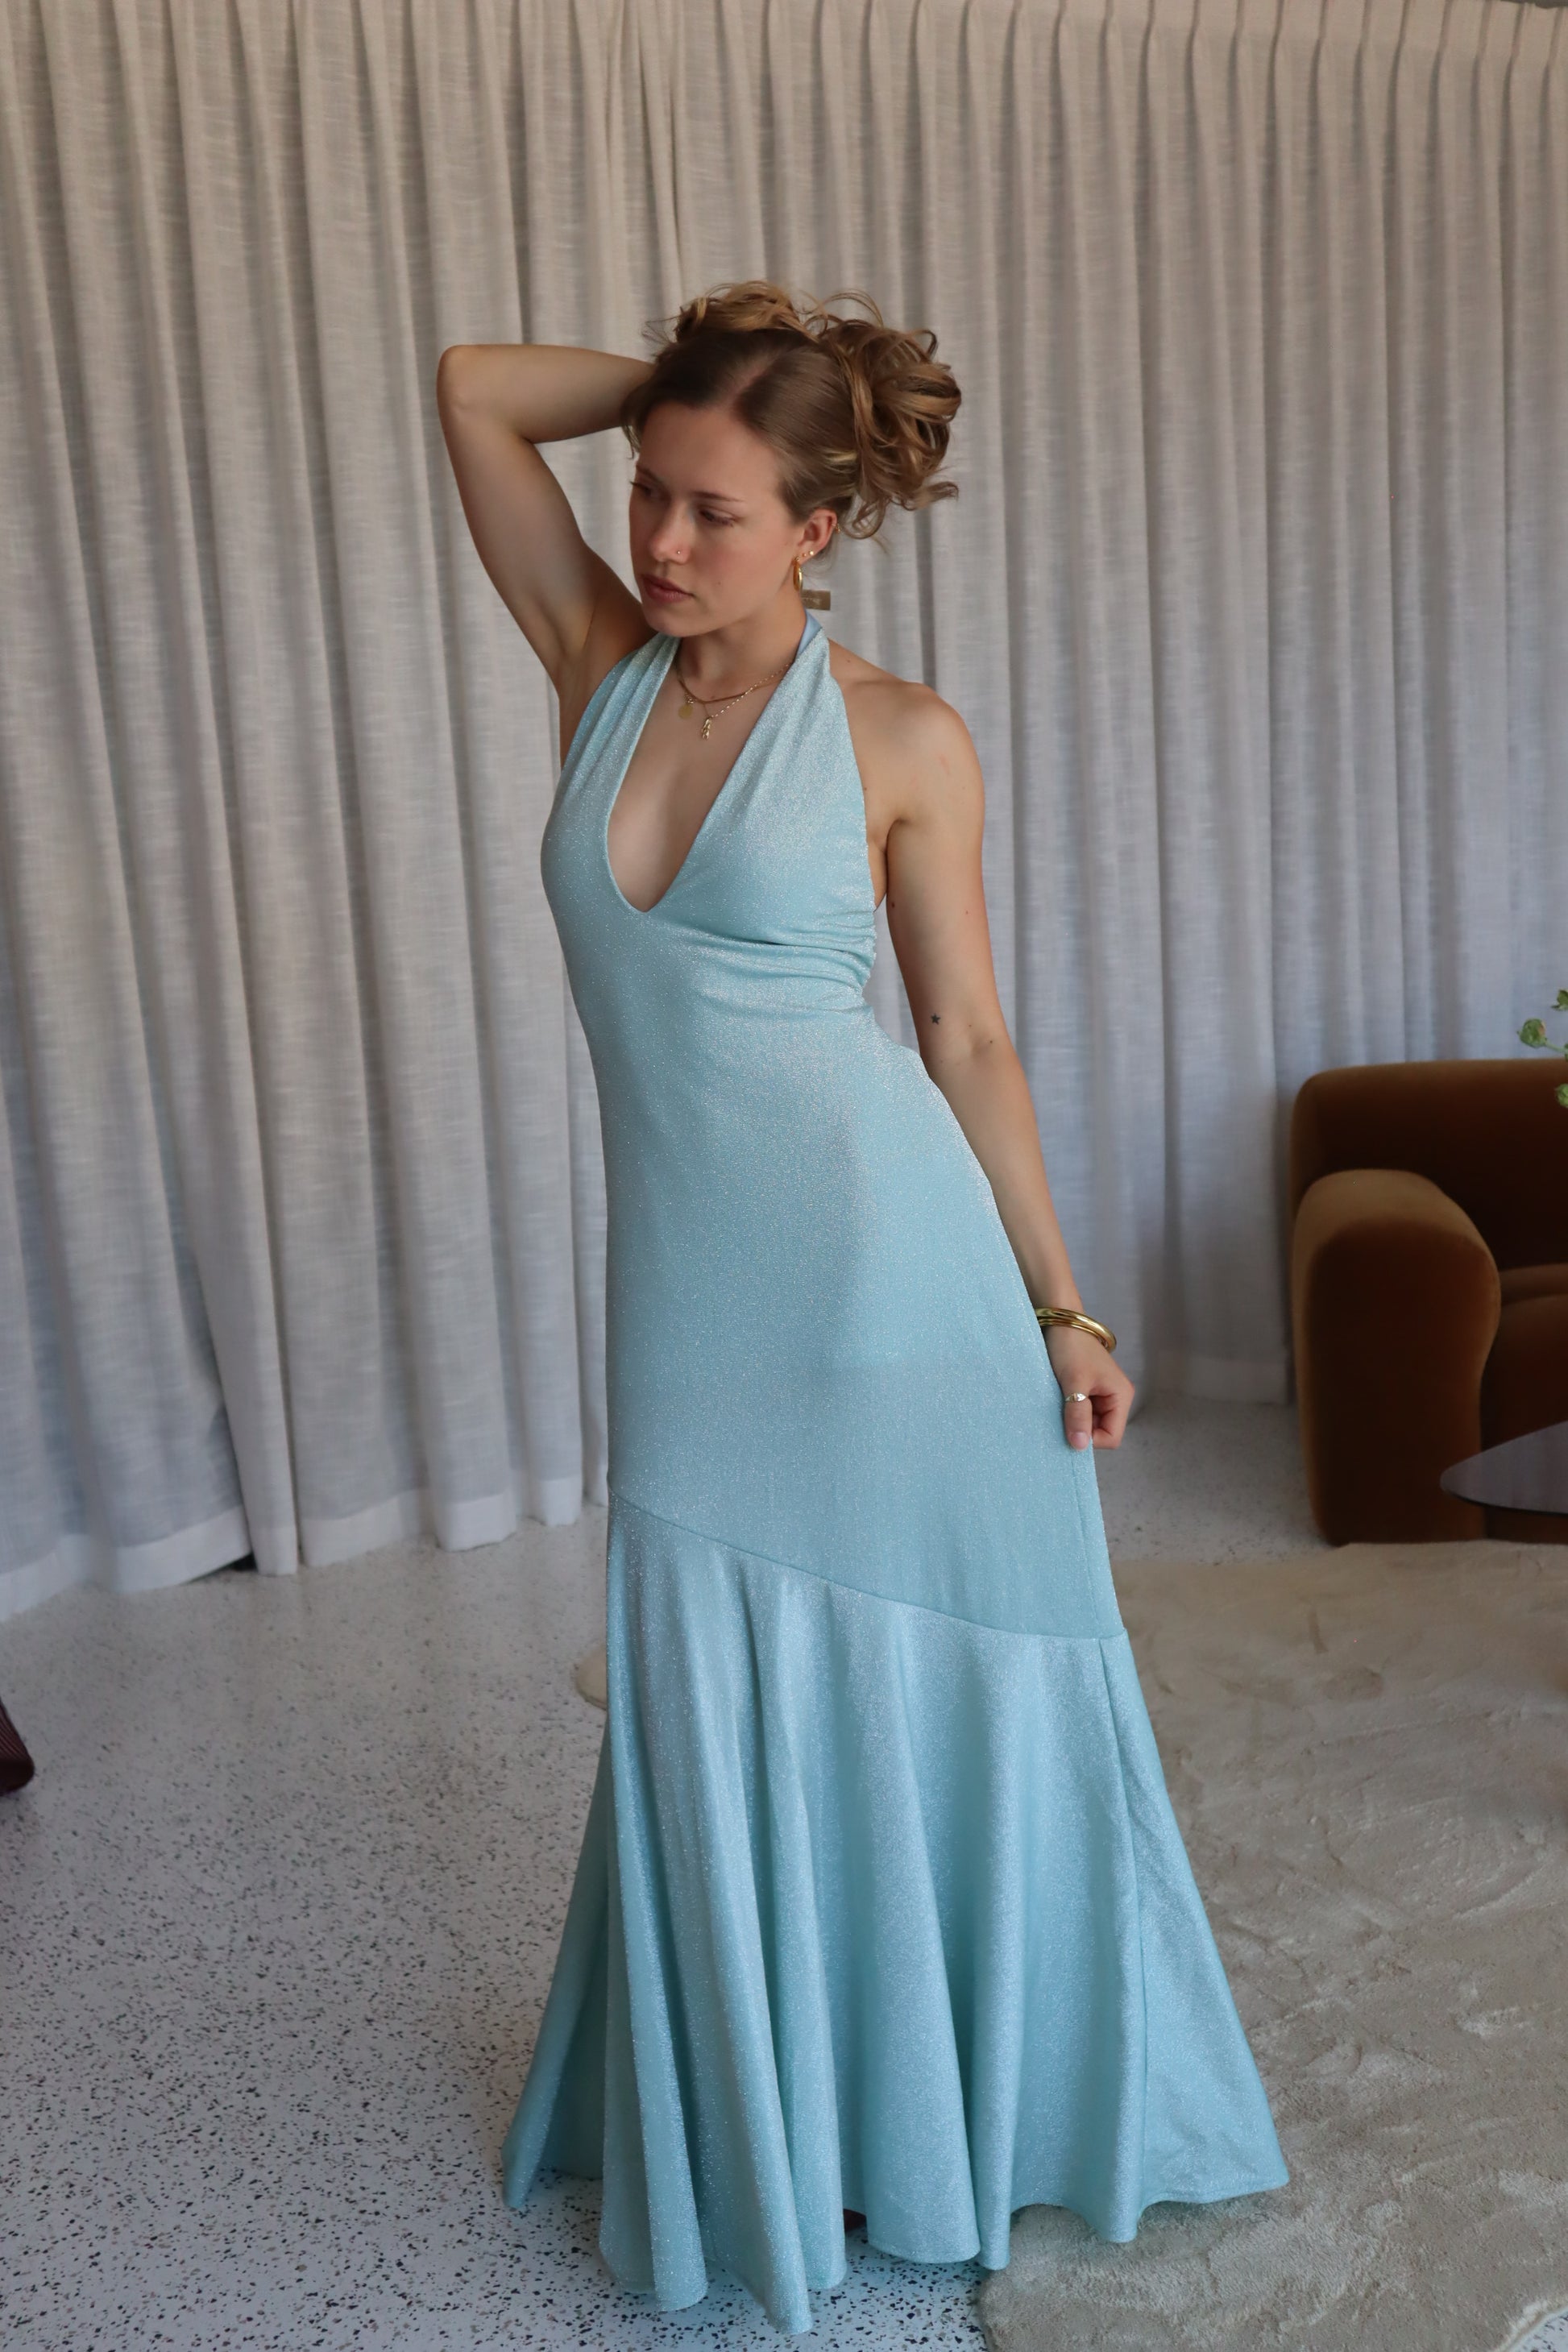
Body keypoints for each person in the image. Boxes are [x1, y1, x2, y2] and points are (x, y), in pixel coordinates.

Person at [436, 280, 1286, 2337]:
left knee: (936, 1714)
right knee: (708, 1693)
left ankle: (947, 2111)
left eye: (717, 510)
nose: (661, 539)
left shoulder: (900, 737)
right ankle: (780, 2117)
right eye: (651, 491)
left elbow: (965, 1035)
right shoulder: (599, 664)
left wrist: (1064, 1307)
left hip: (898, 1288)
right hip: (697, 1310)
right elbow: (470, 390)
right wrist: (703, 385)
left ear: (819, 529)